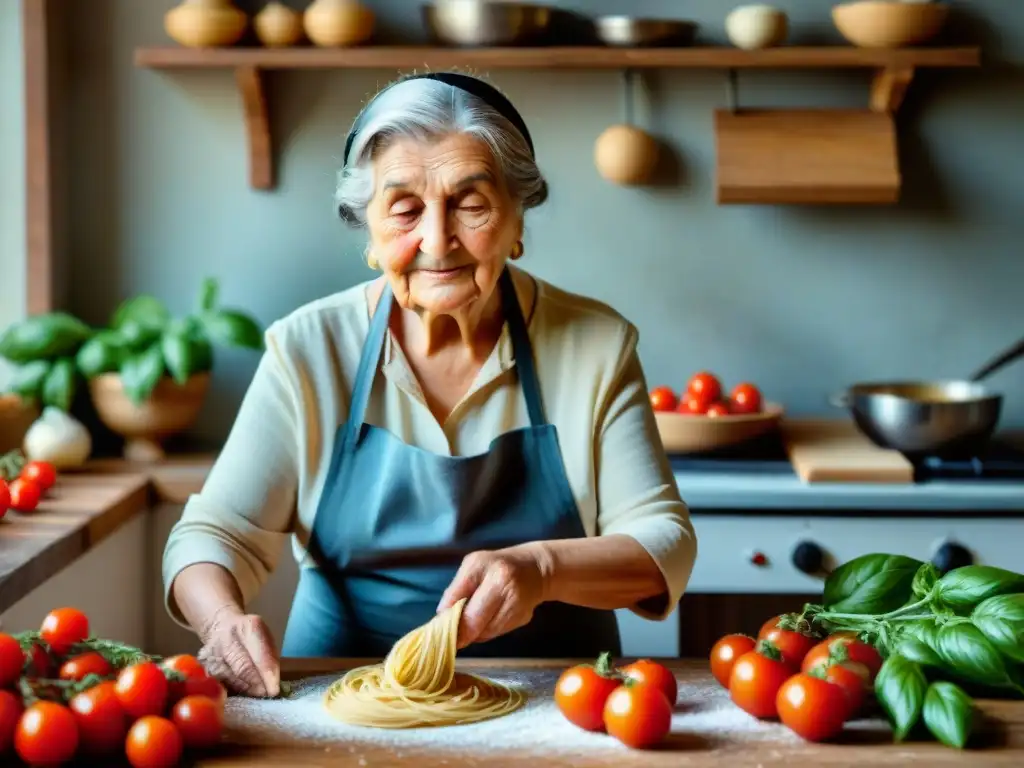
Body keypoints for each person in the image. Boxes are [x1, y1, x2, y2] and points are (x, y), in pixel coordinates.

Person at [162, 72, 697, 698]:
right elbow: (213, 534)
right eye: (405, 209)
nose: (437, 241)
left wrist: (541, 568)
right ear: (369, 231)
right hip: (338, 698)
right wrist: (223, 621)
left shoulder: (595, 345)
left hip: (560, 701)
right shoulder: (308, 348)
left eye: (471, 205)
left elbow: (664, 542)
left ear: (517, 219)